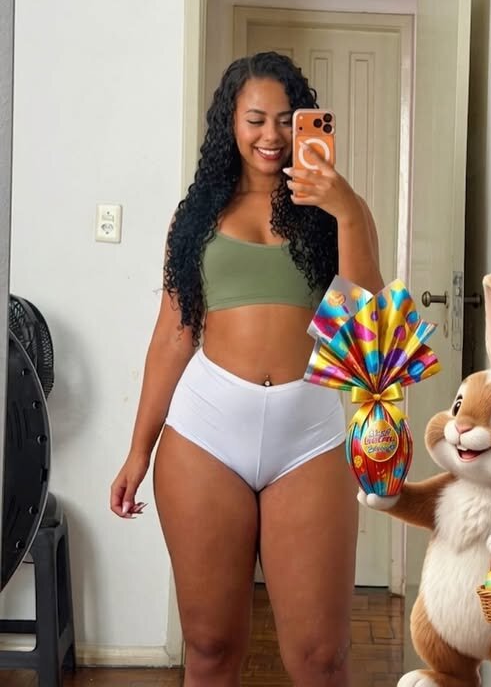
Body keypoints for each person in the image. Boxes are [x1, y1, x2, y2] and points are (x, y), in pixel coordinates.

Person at [110, 51, 383, 687]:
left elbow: (366, 330)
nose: (271, 135)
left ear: (306, 122)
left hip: (309, 437)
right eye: (256, 119)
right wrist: (138, 451)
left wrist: (344, 208)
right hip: (205, 435)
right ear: (229, 124)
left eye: (287, 120)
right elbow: (174, 335)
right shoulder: (196, 216)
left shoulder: (338, 211)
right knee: (209, 648)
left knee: (321, 659)